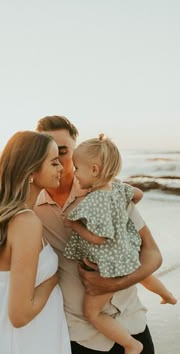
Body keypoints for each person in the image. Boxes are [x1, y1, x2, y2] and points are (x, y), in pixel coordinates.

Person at [0, 116, 163, 353]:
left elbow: (153, 254)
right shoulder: (30, 211)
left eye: (63, 152)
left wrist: (114, 282)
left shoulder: (109, 192)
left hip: (131, 323)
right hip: (77, 336)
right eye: (51, 155)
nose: (60, 164)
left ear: (76, 151)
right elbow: (9, 258)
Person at [63, 133, 177, 354]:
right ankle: (167, 295)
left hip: (107, 265)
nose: (74, 173)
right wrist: (127, 200)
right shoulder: (118, 189)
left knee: (92, 312)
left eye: (77, 168)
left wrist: (75, 225)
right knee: (142, 275)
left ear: (94, 170)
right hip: (125, 252)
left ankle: (130, 344)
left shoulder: (93, 200)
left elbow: (99, 238)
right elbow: (139, 193)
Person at [0, 131, 71, 354]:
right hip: (20, 342)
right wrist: (54, 278)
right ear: (32, 171)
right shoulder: (25, 221)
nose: (61, 167)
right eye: (53, 162)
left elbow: (3, 276)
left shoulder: (6, 214)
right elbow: (19, 315)